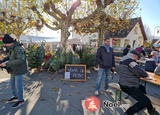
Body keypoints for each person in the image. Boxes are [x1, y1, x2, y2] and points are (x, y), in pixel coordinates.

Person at [118, 50, 159, 115]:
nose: (137, 59)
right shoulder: (130, 62)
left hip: (124, 83)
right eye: (137, 57)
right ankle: (128, 113)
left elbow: (135, 71)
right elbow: (140, 73)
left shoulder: (124, 59)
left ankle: (150, 109)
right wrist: (146, 75)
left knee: (143, 89)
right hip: (128, 86)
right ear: (134, 56)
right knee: (145, 101)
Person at [0, 34, 27, 108]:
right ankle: (15, 97)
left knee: (18, 86)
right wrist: (3, 59)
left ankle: (21, 100)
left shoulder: (19, 48)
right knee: (12, 83)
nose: (5, 45)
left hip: (19, 70)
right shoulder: (12, 47)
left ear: (9, 42)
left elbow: (21, 60)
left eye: (6, 43)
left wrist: (7, 63)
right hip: (13, 69)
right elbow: (10, 56)